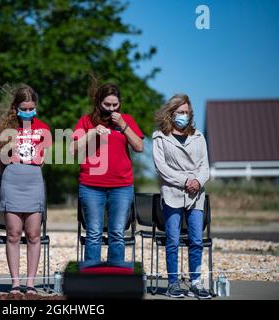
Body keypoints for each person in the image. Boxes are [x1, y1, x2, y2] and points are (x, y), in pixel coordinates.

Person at [70, 82, 144, 267]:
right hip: (91, 186)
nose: (111, 109)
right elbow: (72, 150)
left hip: (121, 186)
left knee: (117, 233)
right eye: (107, 105)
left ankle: (114, 279)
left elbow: (139, 147)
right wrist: (93, 132)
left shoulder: (125, 120)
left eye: (115, 105)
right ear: (98, 103)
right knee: (94, 233)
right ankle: (91, 281)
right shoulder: (86, 121)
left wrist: (124, 126)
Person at [0, 84, 51, 295]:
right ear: (15, 107)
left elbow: (44, 159)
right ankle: (15, 283)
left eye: (31, 107)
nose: (28, 111)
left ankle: (31, 283)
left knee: (34, 234)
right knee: (13, 234)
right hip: (12, 181)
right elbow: (0, 159)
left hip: (33, 181)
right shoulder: (5, 129)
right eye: (24, 108)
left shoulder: (43, 128)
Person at [152, 94, 211, 299]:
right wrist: (185, 181)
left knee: (196, 239)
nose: (184, 116)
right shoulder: (160, 137)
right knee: (173, 240)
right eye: (180, 112)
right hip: (173, 193)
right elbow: (162, 168)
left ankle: (195, 282)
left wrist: (198, 181)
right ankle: (173, 283)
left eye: (186, 112)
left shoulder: (199, 136)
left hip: (196, 195)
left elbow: (205, 166)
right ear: (171, 113)